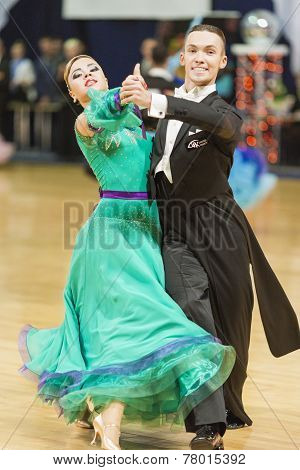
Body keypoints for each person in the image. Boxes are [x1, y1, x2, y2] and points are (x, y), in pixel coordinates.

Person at [18, 54, 236, 451]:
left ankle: (99, 413)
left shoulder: (136, 119)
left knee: (120, 329)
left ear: (104, 73)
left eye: (94, 70)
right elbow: (105, 111)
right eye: (78, 76)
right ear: (72, 92)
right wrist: (128, 93)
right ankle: (111, 433)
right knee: (130, 325)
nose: (88, 77)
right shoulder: (86, 122)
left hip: (147, 234)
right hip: (111, 237)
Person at [120, 24, 300, 446]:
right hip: (176, 231)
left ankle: (231, 407)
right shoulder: (161, 110)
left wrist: (159, 101)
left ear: (222, 62)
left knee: (233, 323)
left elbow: (211, 121)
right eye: (193, 50)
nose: (200, 57)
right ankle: (210, 423)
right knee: (194, 313)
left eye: (210, 52)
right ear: (182, 58)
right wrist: (128, 97)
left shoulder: (224, 114)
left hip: (222, 230)